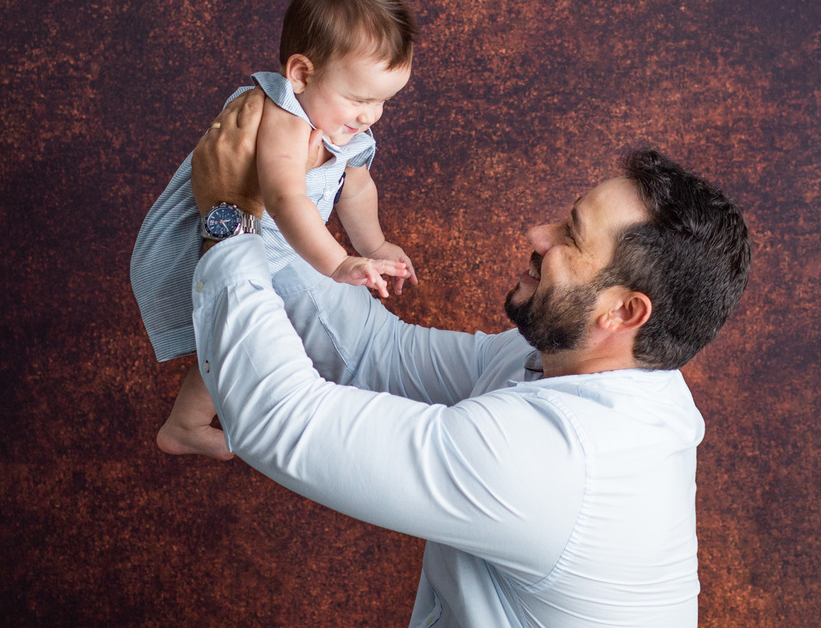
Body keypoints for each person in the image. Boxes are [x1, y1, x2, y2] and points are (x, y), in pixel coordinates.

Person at [184, 91, 752, 627]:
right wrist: (278, 204)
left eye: (571, 237)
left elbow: (279, 421)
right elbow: (370, 351)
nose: (536, 233)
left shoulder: (560, 459)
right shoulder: (570, 361)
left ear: (625, 313)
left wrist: (229, 221)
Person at [130, 0, 419, 457]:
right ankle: (184, 424)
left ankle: (187, 422)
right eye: (359, 99)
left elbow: (357, 188)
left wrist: (373, 245)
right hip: (196, 244)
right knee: (232, 336)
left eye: (383, 102)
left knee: (245, 338)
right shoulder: (281, 114)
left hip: (258, 250)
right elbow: (285, 197)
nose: (370, 116)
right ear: (302, 75)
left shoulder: (342, 129)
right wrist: (339, 263)